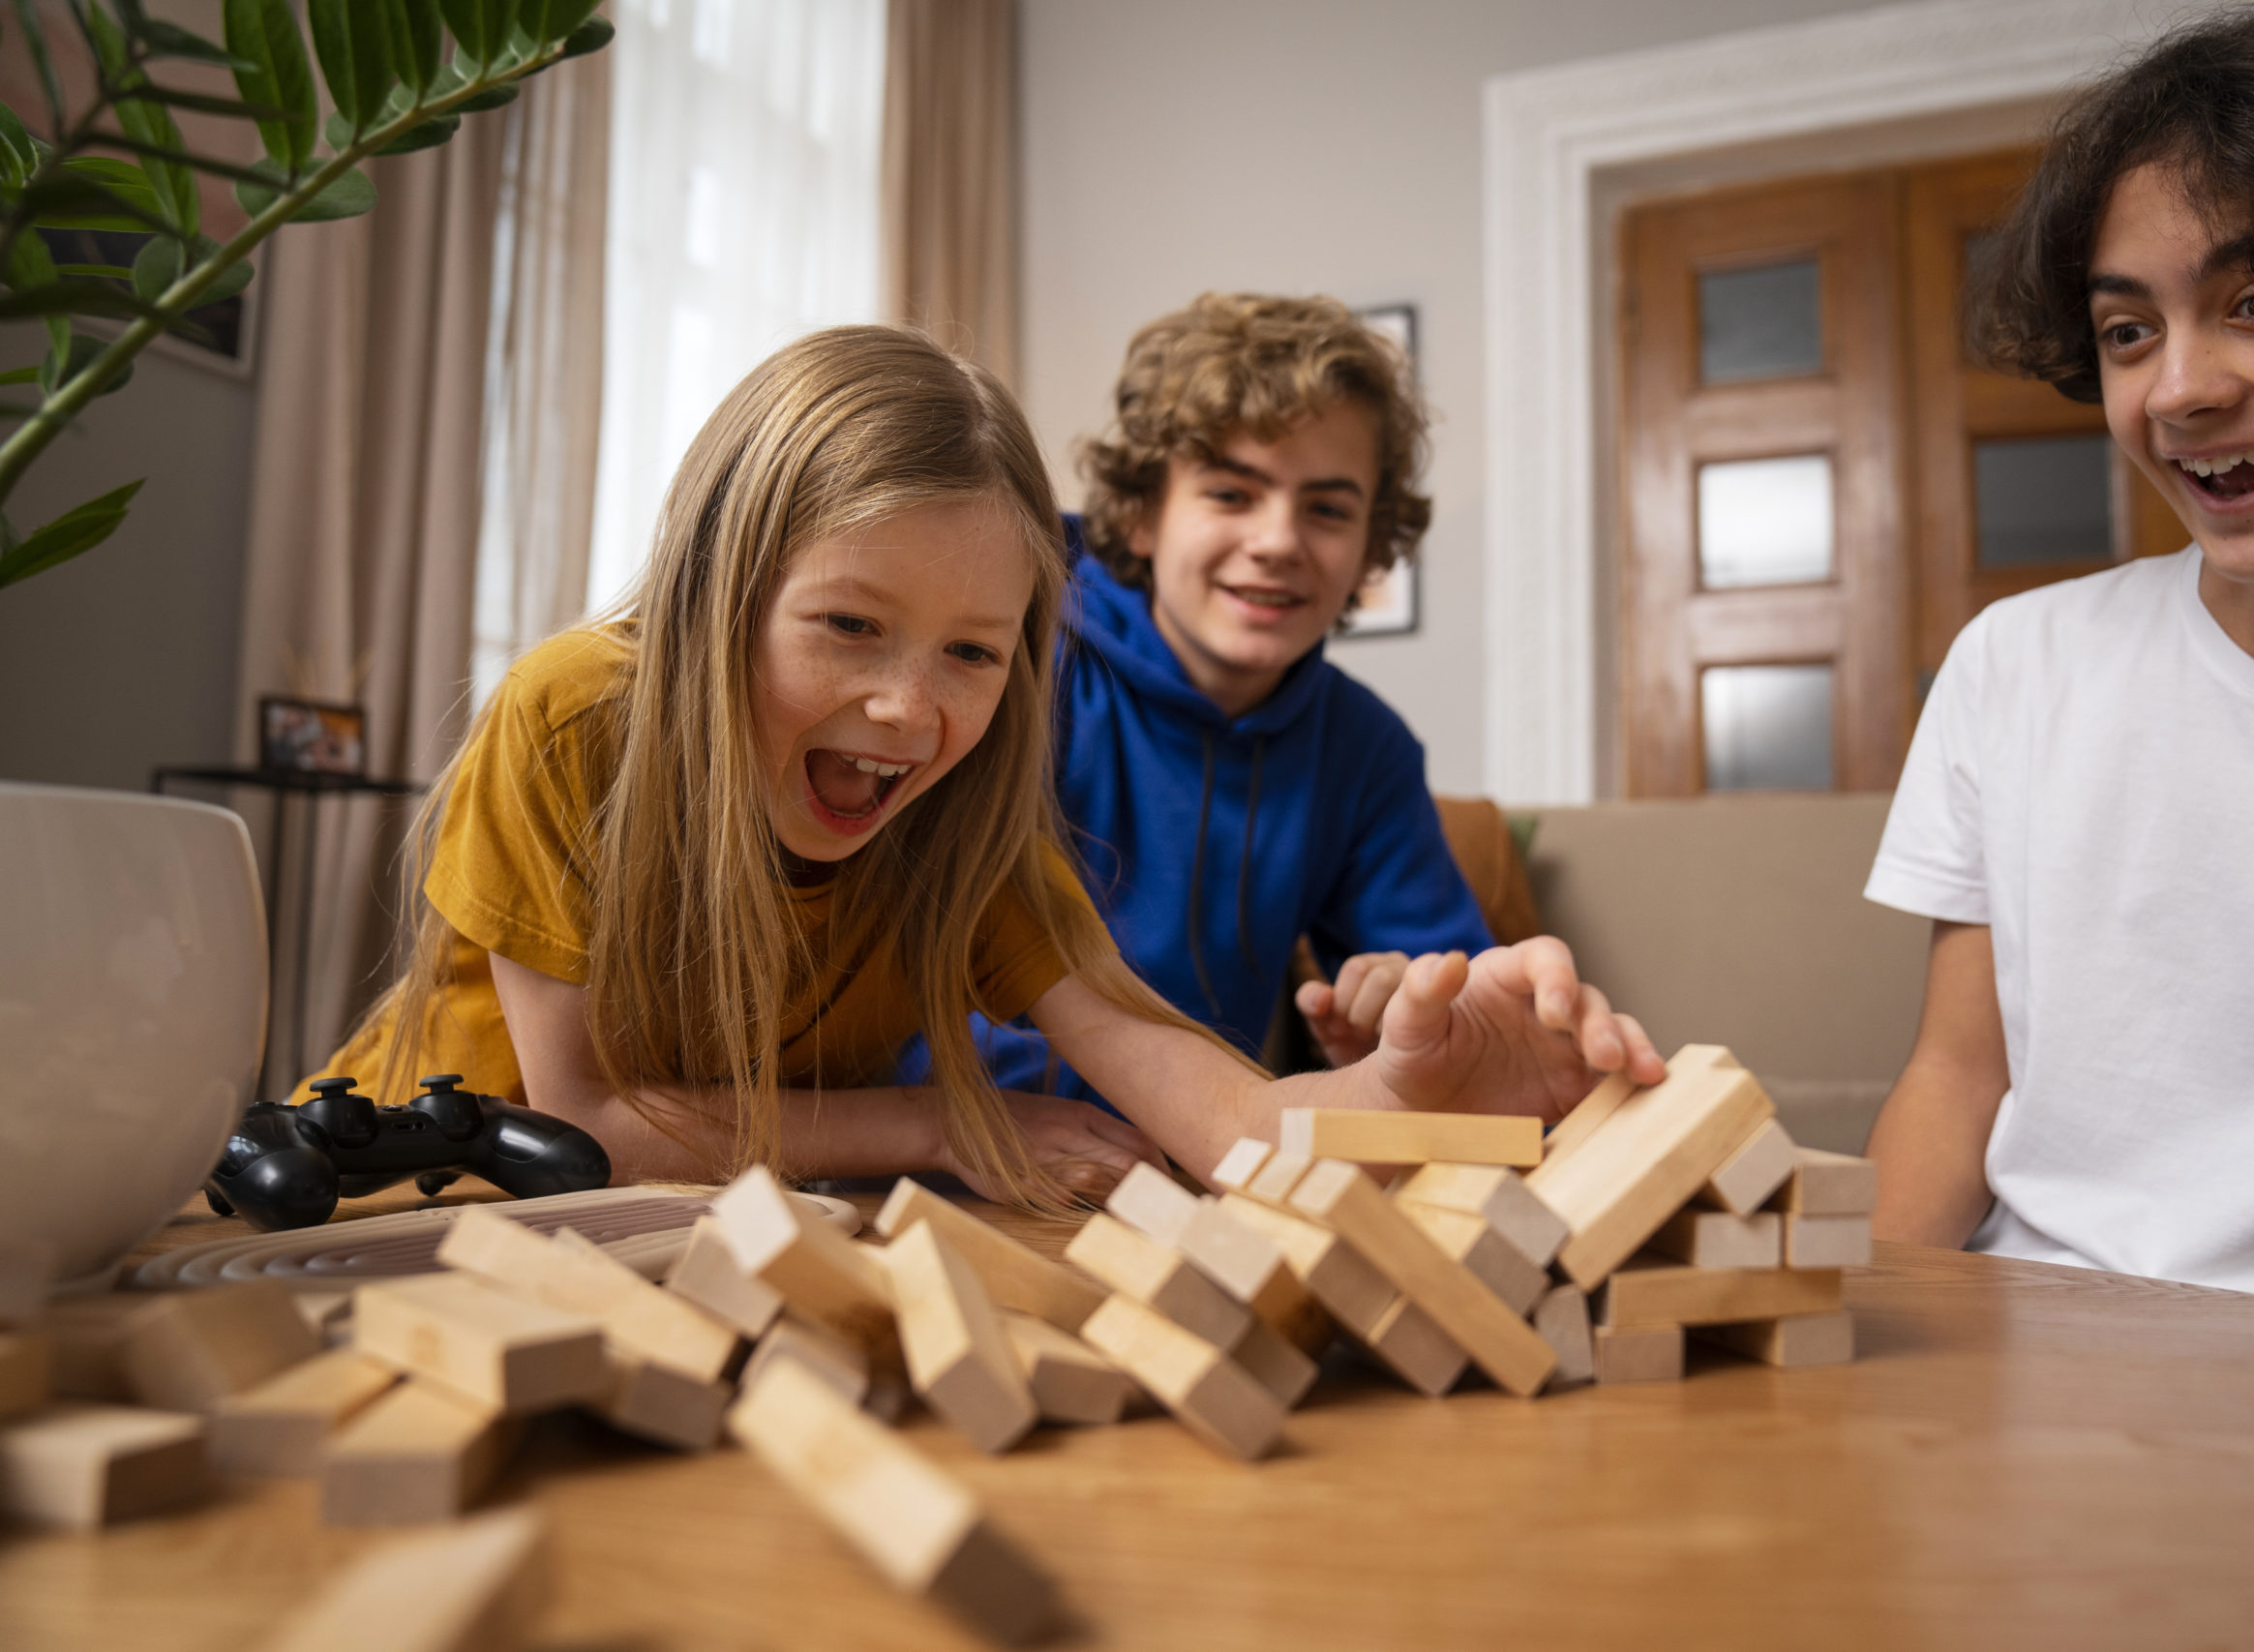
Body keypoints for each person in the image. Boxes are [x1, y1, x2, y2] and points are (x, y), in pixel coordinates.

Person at [303, 327, 1660, 1208]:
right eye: (847, 626)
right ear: (719, 587)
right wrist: (944, 1118)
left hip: (702, 1237)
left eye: (972, 650)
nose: (903, 710)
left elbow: (1236, 1116)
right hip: (392, 1200)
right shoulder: (575, 717)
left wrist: (1415, 1093)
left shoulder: (965, 812)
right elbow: (586, 1117)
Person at [1864, 0, 2254, 1324]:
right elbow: (1959, 1077)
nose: (2179, 390)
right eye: (2129, 329)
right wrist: (1846, 1364)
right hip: (2026, 1346)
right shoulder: (2019, 663)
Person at [909, 294, 1501, 1105]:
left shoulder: (1362, 748)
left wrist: (1414, 1009)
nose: (1279, 541)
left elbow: (1462, 997)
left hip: (1196, 1174)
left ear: (1371, 545)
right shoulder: (1009, 660)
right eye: (1230, 493)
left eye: (1328, 509)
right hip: (942, 1163)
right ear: (1144, 514)